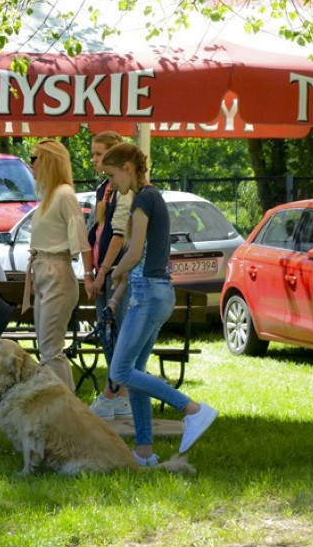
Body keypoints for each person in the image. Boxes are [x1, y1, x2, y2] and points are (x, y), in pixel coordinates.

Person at [103, 142, 217, 465]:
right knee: (135, 372)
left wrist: (113, 271)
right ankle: (144, 452)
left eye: (112, 176)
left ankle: (192, 410)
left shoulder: (143, 199)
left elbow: (135, 252)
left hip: (148, 293)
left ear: (128, 168)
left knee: (120, 370)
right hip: (157, 292)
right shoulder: (153, 198)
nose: (112, 185)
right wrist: (117, 292)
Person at [25, 140, 91, 387]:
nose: (31, 164)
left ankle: (66, 406)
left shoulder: (63, 193)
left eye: (34, 158)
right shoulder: (49, 195)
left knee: (51, 348)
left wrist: (90, 275)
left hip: (56, 273)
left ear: (49, 160)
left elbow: (80, 236)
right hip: (45, 271)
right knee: (46, 347)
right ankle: (58, 403)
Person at [84, 131, 134, 421]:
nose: (94, 159)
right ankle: (118, 396)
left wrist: (103, 272)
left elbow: (118, 235)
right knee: (107, 333)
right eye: (92, 154)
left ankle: (117, 394)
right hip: (101, 271)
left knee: (118, 330)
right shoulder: (104, 189)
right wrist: (90, 272)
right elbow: (94, 233)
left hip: (116, 273)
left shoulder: (125, 191)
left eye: (99, 154)